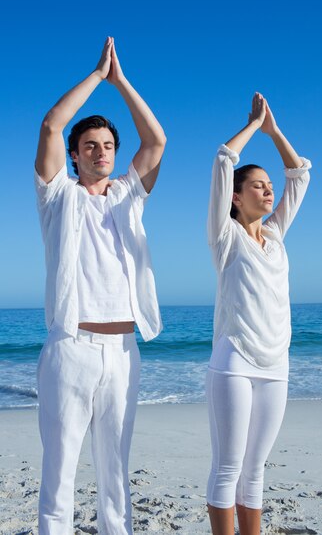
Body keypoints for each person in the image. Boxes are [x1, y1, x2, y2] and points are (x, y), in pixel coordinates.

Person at [34, 37, 166, 534]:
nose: (102, 152)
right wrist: (96, 76)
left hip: (124, 349)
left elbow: (156, 141)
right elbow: (50, 123)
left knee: (116, 475)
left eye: (109, 146)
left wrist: (122, 82)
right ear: (74, 154)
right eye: (90, 146)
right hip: (72, 346)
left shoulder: (129, 197)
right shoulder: (57, 197)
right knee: (60, 472)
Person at [206, 92, 311, 535]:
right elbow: (223, 159)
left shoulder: (277, 234)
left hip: (277, 363)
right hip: (234, 361)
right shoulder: (225, 236)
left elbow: (301, 173)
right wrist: (252, 126)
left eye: (270, 186)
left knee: (256, 471)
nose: (269, 190)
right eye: (258, 185)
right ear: (235, 198)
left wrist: (275, 131)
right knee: (229, 467)